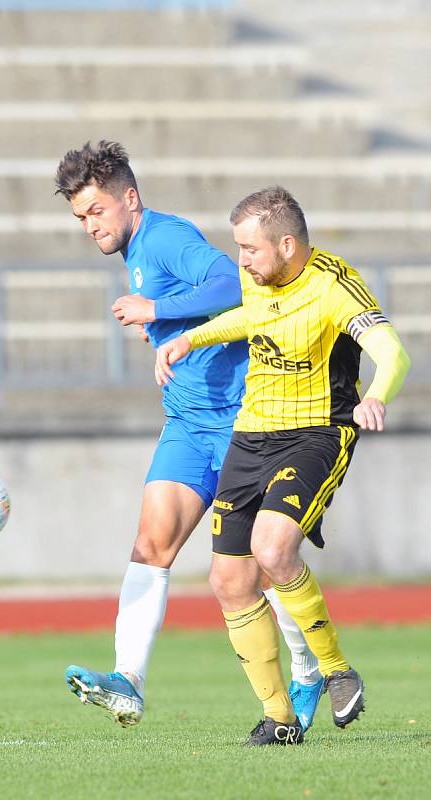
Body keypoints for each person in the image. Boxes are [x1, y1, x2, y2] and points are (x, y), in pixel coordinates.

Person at [54, 142, 324, 734]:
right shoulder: (136, 250)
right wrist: (172, 333)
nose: (89, 225)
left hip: (239, 423)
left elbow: (231, 284)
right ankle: (128, 680)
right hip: (187, 422)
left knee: (257, 562)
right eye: (80, 216)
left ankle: (306, 671)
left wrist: (155, 309)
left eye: (96, 210)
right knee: (152, 544)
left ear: (130, 198)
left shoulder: (165, 237)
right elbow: (195, 316)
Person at [156, 185, 411, 746]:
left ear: (287, 244)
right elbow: (251, 318)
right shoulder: (259, 277)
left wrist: (378, 395)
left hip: (317, 432)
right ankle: (281, 719)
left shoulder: (334, 286)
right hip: (252, 434)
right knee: (229, 580)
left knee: (273, 551)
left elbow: (392, 350)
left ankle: (337, 670)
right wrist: (189, 339)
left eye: (250, 249)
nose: (241, 260)